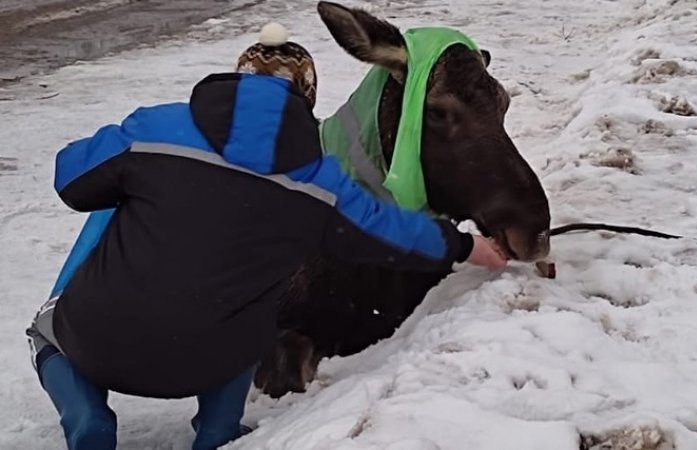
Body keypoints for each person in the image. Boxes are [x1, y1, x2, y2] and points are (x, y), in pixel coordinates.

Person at [25, 23, 507, 450]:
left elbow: (71, 179)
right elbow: (389, 231)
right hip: (210, 360)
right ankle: (217, 430)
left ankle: (87, 416)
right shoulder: (319, 179)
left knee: (43, 331)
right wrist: (466, 246)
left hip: (100, 342)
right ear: (307, 97)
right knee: (251, 313)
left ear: (237, 80)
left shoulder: (153, 128)